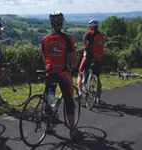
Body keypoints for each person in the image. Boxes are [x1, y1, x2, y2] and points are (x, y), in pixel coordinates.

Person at [40, 11, 78, 139]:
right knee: (68, 100)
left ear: (50, 24)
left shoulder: (45, 39)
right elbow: (73, 57)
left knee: (50, 98)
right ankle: (72, 130)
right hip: (63, 73)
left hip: (49, 72)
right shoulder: (67, 38)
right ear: (62, 23)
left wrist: (49, 66)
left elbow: (44, 56)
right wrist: (73, 67)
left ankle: (47, 125)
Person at [77, 19, 105, 104]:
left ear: (91, 26)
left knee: (80, 73)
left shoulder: (89, 34)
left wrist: (86, 47)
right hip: (98, 59)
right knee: (98, 79)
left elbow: (84, 39)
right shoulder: (101, 36)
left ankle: (80, 92)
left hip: (89, 57)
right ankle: (98, 98)